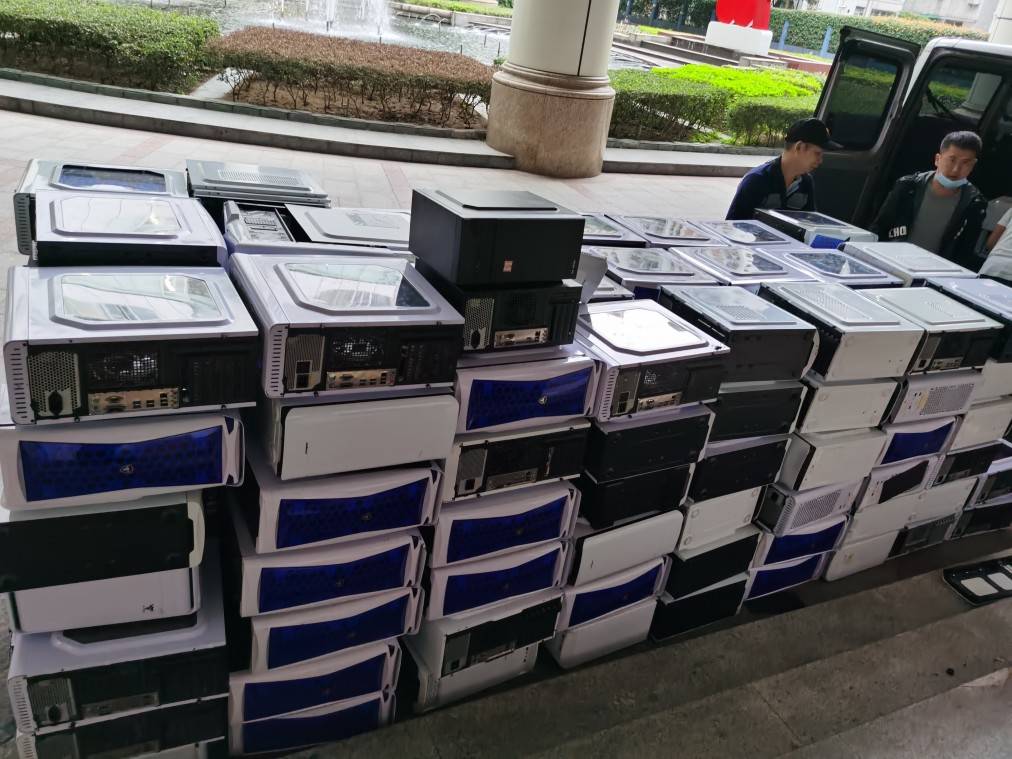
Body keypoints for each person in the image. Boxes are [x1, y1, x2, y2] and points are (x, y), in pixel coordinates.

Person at [870, 131, 987, 268]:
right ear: (938, 159)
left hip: (934, 271)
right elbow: (880, 226)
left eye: (965, 163)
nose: (956, 169)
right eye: (952, 160)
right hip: (891, 261)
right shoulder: (909, 187)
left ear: (973, 165)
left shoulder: (975, 204)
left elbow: (965, 251)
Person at [726, 118, 837, 221]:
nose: (820, 160)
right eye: (817, 153)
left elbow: (809, 223)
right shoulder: (757, 180)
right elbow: (732, 226)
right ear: (799, 147)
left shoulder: (806, 183)